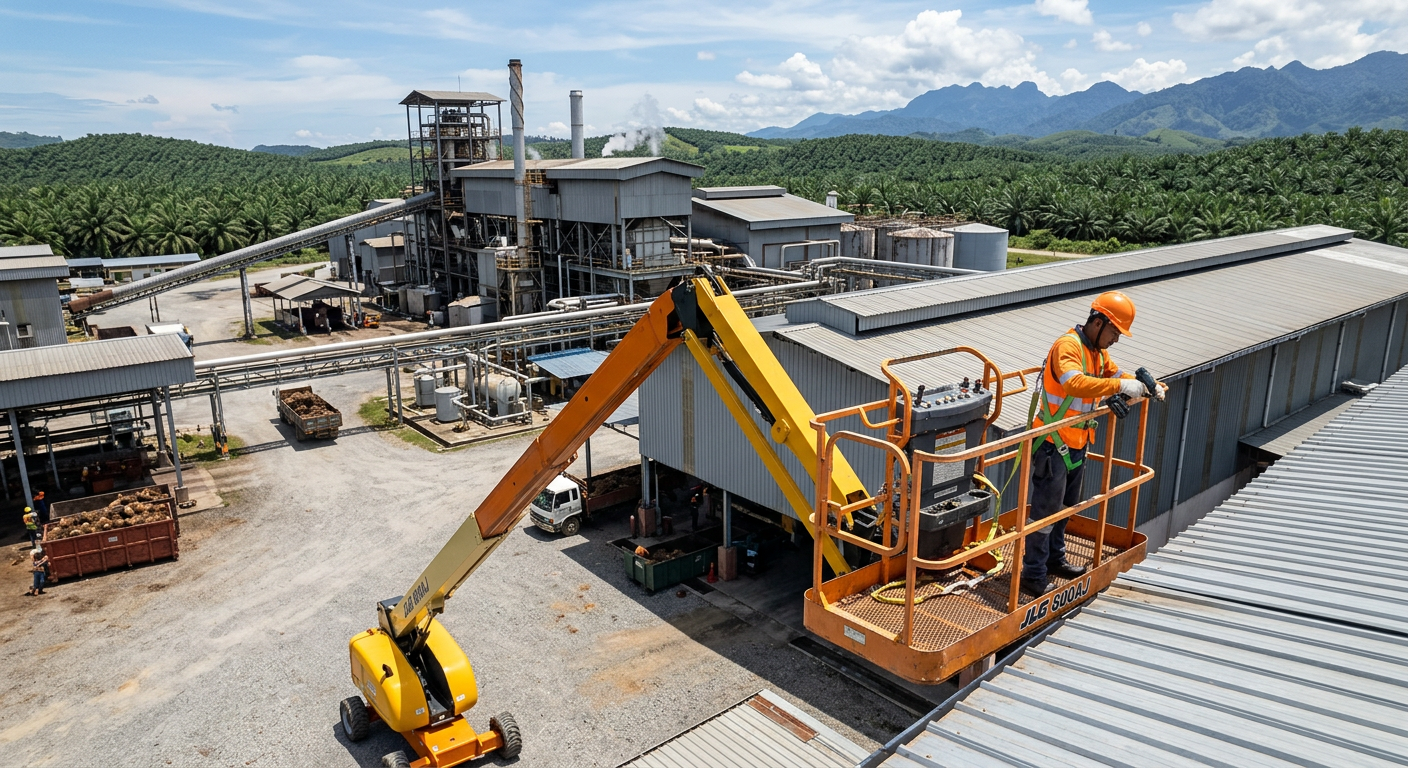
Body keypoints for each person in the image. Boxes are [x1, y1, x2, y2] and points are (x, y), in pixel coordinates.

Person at [1021, 291, 1165, 598]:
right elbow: (1074, 383)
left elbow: (1117, 375)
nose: (1116, 339)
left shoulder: (1098, 354)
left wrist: (1150, 386)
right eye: (1115, 332)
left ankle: (1055, 559)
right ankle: (1032, 574)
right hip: (1053, 443)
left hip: (1077, 442)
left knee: (1065, 508)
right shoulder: (1068, 346)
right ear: (1098, 323)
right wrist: (1121, 385)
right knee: (1045, 514)